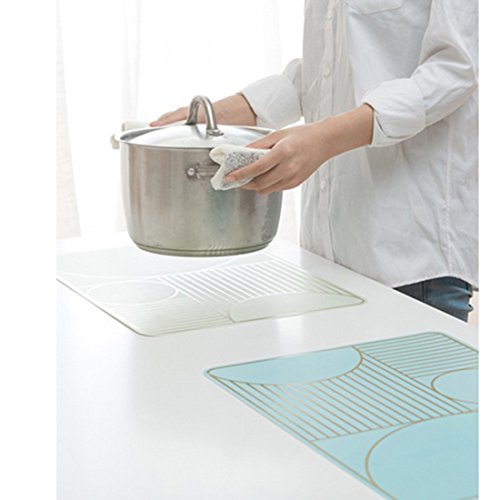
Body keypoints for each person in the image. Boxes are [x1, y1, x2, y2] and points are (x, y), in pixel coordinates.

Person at [150, 0, 478, 322]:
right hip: (327, 257)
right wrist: (225, 114)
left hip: (412, 257)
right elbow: (331, 65)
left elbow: (457, 68)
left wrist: (321, 140)